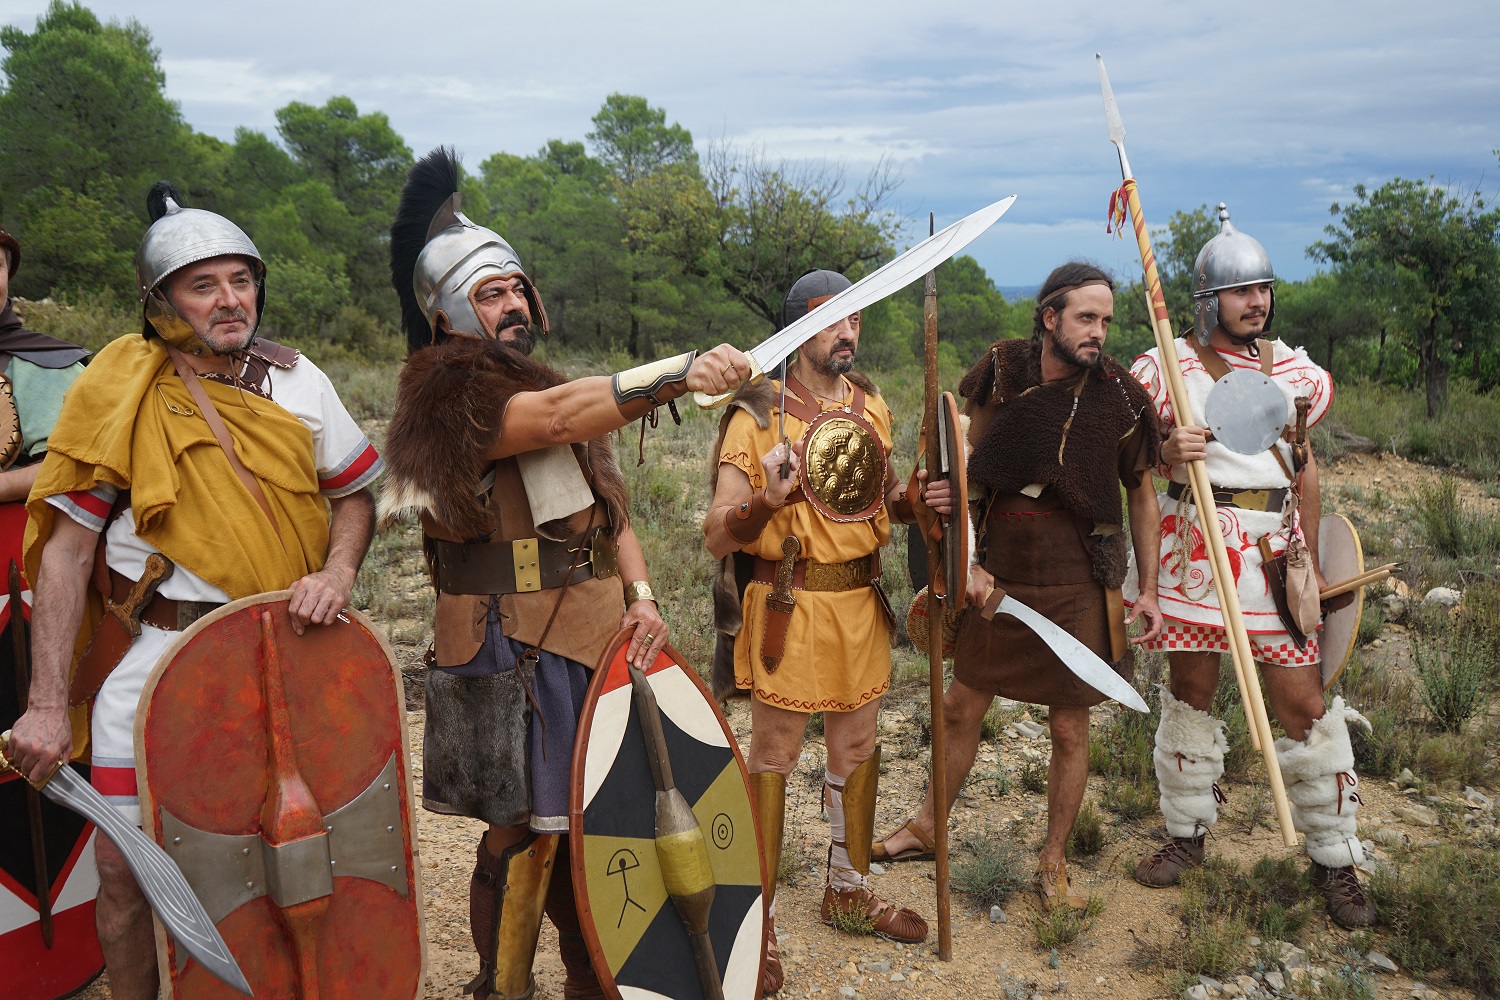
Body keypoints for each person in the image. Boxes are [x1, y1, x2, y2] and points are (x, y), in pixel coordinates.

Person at [379, 148, 753, 1000]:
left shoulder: (539, 381)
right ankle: (502, 984)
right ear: (447, 316)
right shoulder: (446, 395)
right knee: (523, 831)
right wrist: (678, 372)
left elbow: (611, 514)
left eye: (517, 288)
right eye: (489, 293)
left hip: (592, 631)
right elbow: (551, 418)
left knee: (602, 817)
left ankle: (599, 973)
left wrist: (643, 597)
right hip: (510, 642)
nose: (513, 303)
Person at [4, 184, 383, 1000]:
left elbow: (354, 494)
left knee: (300, 852)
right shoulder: (119, 389)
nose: (229, 299)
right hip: (159, 657)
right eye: (203, 285)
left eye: (241, 280)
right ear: (160, 302)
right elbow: (66, 555)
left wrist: (338, 572)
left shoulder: (300, 380)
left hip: (292, 650)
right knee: (124, 869)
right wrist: (44, 704)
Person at [873, 261, 1164, 911]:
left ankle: (1053, 859)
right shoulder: (1003, 372)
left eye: (1106, 320)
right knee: (960, 706)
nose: (1097, 331)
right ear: (1050, 317)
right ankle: (927, 826)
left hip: (1078, 580)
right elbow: (966, 471)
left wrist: (1146, 587)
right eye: (1085, 317)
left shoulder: (1119, 397)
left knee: (1069, 728)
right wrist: (963, 549)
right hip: (996, 575)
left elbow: (1142, 494)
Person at [1123, 205, 1373, 928]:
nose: (1256, 302)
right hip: (1193, 548)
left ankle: (1336, 856)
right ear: (1209, 300)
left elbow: (1306, 468)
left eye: (1263, 289)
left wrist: (1310, 559)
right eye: (1241, 291)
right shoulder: (1164, 368)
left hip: (1270, 555)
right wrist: (1167, 451)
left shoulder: (1293, 370)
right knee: (1191, 694)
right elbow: (1137, 467)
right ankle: (1187, 832)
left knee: (1303, 705)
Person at [705, 268, 930, 995]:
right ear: (799, 329)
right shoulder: (756, 416)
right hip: (788, 603)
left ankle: (847, 886)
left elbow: (881, 501)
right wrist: (768, 502)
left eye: (855, 319)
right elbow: (717, 534)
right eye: (833, 320)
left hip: (861, 600)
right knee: (774, 756)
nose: (847, 332)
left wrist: (916, 500)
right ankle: (758, 920)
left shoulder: (871, 405)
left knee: (857, 748)